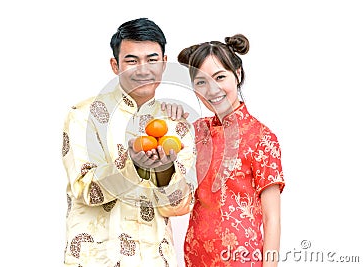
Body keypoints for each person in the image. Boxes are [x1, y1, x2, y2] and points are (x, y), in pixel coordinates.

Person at [62, 18, 197, 266]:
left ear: (164, 63)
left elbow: (180, 206)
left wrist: (164, 171)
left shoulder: (177, 125)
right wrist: (131, 166)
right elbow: (85, 191)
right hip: (98, 259)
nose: (143, 70)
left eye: (152, 59)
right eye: (131, 60)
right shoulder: (84, 116)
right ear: (115, 65)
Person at [177, 34, 285, 266]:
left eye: (219, 77)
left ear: (237, 74)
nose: (212, 89)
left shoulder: (261, 137)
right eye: (201, 82)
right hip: (196, 255)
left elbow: (271, 217)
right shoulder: (196, 131)